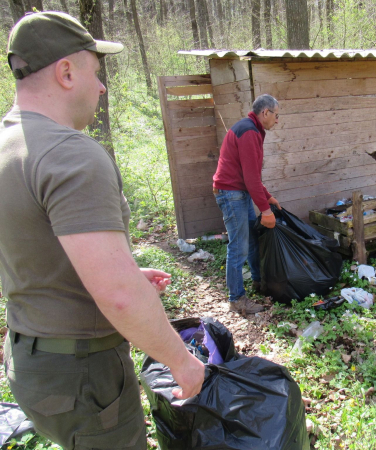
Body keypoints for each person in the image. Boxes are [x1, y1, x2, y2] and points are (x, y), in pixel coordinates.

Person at [0, 12, 205, 449]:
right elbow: (117, 295)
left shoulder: (8, 145)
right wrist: (182, 362)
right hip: (84, 374)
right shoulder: (71, 155)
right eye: (96, 72)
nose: (103, 86)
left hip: (29, 361)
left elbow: (34, 251)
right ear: (66, 71)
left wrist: (126, 274)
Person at [213, 94, 281, 315]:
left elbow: (251, 176)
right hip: (231, 194)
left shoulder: (252, 129)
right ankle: (237, 299)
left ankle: (259, 283)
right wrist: (265, 210)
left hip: (237, 191)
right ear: (265, 113)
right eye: (276, 115)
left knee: (251, 240)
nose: (277, 120)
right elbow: (251, 178)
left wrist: (267, 196)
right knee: (239, 246)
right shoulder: (249, 131)